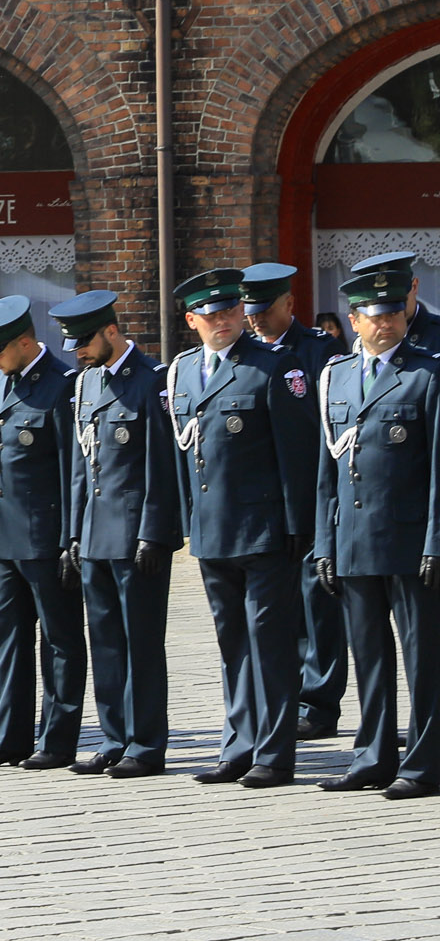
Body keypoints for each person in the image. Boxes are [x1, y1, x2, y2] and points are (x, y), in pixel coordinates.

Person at [166, 268, 316, 788]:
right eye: (210, 315)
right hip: (213, 530)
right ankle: (239, 746)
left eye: (230, 310)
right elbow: (184, 455)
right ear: (193, 321)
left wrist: (299, 524)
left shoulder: (274, 366)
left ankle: (274, 755)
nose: (222, 320)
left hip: (266, 529)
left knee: (269, 644)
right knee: (233, 644)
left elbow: (297, 453)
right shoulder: (184, 372)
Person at [315, 264, 440, 799]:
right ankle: (372, 757)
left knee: (423, 657)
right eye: (375, 315)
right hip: (354, 537)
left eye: (393, 313)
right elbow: (326, 470)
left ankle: (425, 764)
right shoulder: (337, 376)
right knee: (368, 654)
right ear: (354, 320)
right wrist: (324, 543)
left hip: (410, 541)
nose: (386, 323)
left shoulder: (427, 374)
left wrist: (436, 541)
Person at [49, 291, 181, 779]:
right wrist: (72, 535)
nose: (78, 352)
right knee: (104, 643)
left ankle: (145, 745)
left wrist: (155, 532)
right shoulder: (85, 383)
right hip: (94, 533)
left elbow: (162, 465)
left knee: (141, 643)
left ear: (111, 331)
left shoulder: (151, 380)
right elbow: (80, 467)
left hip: (135, 534)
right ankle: (114, 738)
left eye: (84, 342)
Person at [0, 296, 85, 770]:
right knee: (8, 639)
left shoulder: (62, 386)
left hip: (48, 535)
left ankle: (56, 740)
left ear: (25, 342)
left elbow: (75, 470)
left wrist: (72, 538)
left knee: (59, 640)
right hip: (4, 535)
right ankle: (8, 738)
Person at [243, 262, 347, 742]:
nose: (255, 319)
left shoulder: (320, 351)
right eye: (250, 310)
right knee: (275, 609)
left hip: (308, 494)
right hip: (263, 500)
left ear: (289, 303)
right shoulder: (245, 353)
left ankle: (319, 704)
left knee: (316, 602)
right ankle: (282, 697)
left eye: (264, 310)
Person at [352, 251, 440, 353]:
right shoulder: (366, 339)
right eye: (380, 304)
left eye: (398, 298)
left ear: (414, 286)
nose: (390, 308)